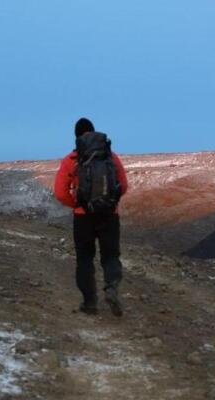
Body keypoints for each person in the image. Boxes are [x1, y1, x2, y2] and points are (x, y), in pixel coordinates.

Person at [54, 118, 129, 316]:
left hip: (83, 217)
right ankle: (111, 287)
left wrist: (78, 204)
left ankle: (89, 303)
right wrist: (110, 202)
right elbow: (123, 185)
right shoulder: (110, 156)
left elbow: (60, 192)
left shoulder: (71, 159)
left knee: (85, 259)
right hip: (109, 215)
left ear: (76, 136)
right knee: (111, 256)